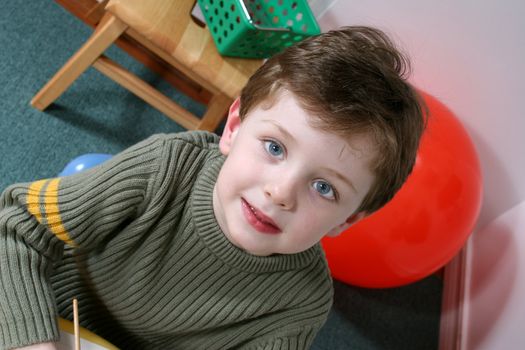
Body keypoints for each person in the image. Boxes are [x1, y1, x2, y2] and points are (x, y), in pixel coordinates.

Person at [0, 26, 425, 350]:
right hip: (35, 315)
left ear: (349, 218)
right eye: (274, 147)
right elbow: (15, 224)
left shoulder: (300, 307)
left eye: (324, 188)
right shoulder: (165, 167)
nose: (280, 192)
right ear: (235, 126)